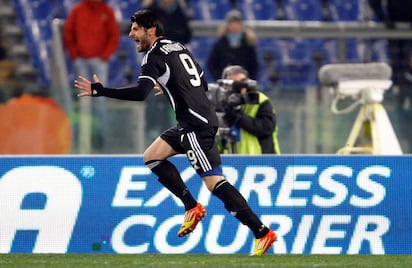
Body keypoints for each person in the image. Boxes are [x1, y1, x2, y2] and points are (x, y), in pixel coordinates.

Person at [74, 9, 277, 256]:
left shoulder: (153, 57)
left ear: (151, 30)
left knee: (215, 183)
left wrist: (101, 91)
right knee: (152, 156)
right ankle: (192, 207)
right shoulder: (176, 46)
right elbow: (200, 82)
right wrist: (169, 84)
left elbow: (140, 94)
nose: (131, 34)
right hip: (194, 121)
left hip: (194, 125)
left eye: (135, 29)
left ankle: (261, 232)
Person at [63, 0, 120, 151]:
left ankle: (100, 139)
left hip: (99, 61)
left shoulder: (106, 12)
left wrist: (104, 56)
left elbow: (114, 35)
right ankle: (80, 139)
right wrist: (75, 55)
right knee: (83, 100)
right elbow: (69, 32)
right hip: (81, 60)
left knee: (99, 101)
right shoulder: (78, 10)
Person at [220, 65, 281, 154]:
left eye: (242, 83)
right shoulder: (219, 103)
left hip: (261, 162)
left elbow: (266, 128)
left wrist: (238, 117)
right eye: (234, 84)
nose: (239, 88)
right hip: (229, 161)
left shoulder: (259, 100)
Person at [207, 9, 258, 81]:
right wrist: (220, 79)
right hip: (225, 82)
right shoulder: (220, 43)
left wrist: (248, 79)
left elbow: (254, 65)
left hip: (243, 81)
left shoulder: (248, 42)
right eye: (232, 23)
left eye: (236, 23)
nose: (234, 26)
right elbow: (211, 63)